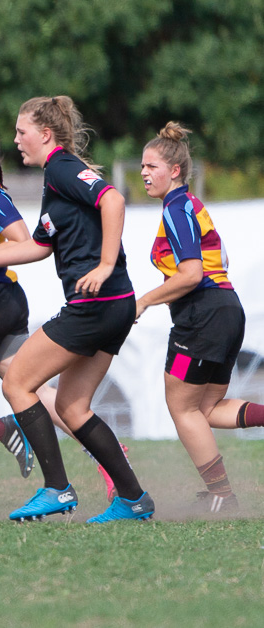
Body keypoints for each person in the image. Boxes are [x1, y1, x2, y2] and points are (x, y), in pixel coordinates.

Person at [0, 95, 153, 523]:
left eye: (21, 132)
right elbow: (38, 246)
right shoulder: (53, 178)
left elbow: (113, 200)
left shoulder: (61, 167)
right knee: (73, 407)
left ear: (44, 134)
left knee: (17, 383)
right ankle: (134, 499)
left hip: (95, 304)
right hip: (113, 305)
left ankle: (57, 488)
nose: (15, 140)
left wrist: (105, 265)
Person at [137, 122, 260, 513]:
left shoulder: (176, 208)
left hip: (203, 316)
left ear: (175, 171)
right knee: (205, 408)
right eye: (142, 166)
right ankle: (221, 492)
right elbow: (222, 259)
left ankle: (222, 495)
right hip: (228, 309)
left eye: (152, 166)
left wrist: (143, 302)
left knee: (182, 407)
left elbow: (191, 274)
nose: (144, 173)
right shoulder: (192, 205)